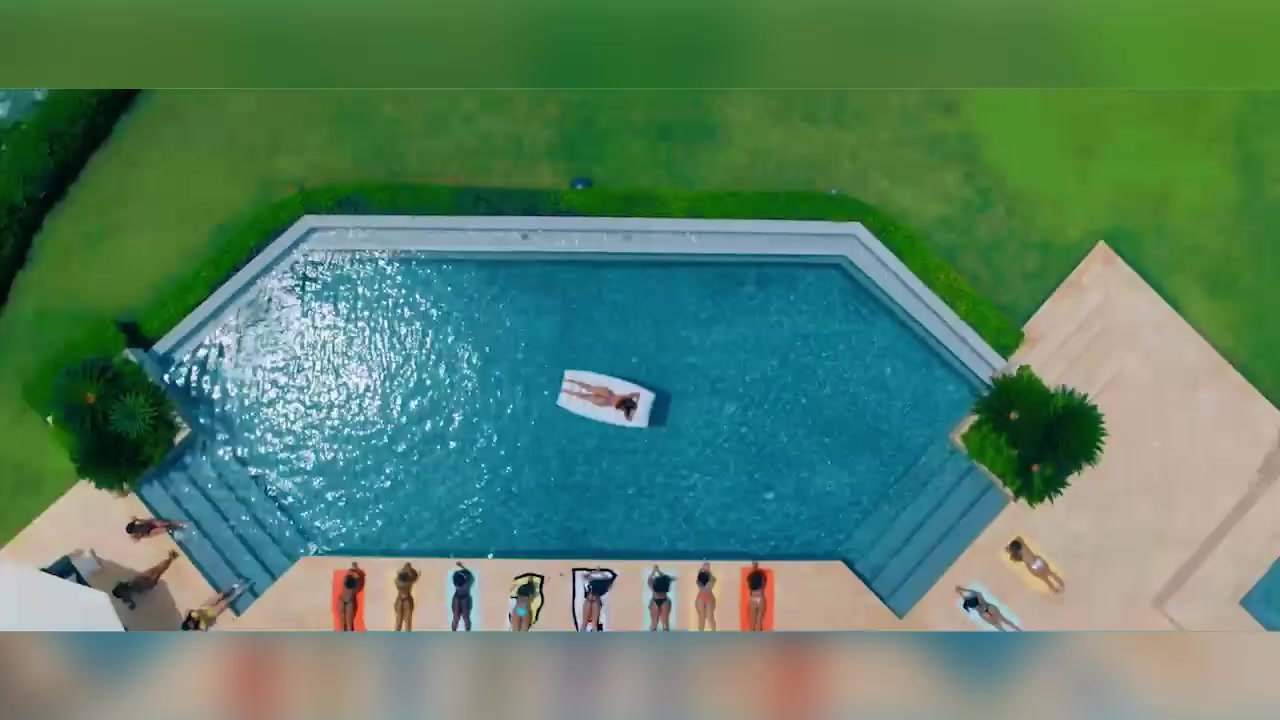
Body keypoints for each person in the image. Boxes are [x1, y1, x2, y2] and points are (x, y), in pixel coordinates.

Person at [112, 550, 179, 610]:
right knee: (158, 570)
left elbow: (132, 602)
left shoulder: (124, 592)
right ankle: (171, 558)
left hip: (142, 581)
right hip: (144, 583)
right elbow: (132, 602)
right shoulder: (125, 593)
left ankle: (171, 558)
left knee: (158, 570)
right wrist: (132, 605)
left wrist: (132, 604)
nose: (120, 588)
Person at [560, 380, 642, 422]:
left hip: (607, 394)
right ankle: (565, 391)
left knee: (588, 388)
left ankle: (568, 380)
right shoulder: (624, 409)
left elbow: (637, 394)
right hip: (605, 401)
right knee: (585, 396)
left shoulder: (627, 397)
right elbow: (628, 419)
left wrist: (636, 402)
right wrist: (633, 410)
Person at [181, 582, 251, 631]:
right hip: (210, 613)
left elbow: (188, 610)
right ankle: (237, 592)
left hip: (205, 607)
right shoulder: (196, 627)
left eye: (189, 624)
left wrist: (188, 616)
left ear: (186, 622)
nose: (191, 624)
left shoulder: (189, 616)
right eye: (190, 626)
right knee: (224, 602)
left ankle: (233, 588)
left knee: (220, 596)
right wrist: (209, 624)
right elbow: (205, 629)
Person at [955, 586, 1021, 631]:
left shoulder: (968, 602)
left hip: (983, 614)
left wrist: (960, 592)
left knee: (998, 626)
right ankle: (1018, 629)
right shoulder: (977, 596)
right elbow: (977, 593)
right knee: (1004, 620)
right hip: (988, 607)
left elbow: (964, 598)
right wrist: (963, 589)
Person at [337, 562, 366, 632]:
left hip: (345, 600)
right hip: (345, 600)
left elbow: (358, 578)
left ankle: (345, 636)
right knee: (345, 625)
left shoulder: (354, 577)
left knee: (346, 625)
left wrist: (355, 570)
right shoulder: (352, 576)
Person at [393, 562, 419, 632]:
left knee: (403, 621)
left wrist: (406, 570)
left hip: (403, 600)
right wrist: (409, 570)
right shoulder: (408, 581)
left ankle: (399, 636)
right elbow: (414, 578)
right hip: (404, 600)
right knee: (403, 621)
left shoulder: (400, 581)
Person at [648, 565, 673, 631]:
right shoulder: (662, 581)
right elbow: (667, 578)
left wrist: (655, 571)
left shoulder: (658, 582)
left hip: (659, 600)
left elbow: (650, 579)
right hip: (660, 600)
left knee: (660, 624)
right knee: (659, 624)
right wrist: (656, 571)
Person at [451, 562, 474, 632]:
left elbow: (468, 572)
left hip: (465, 598)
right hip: (457, 598)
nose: (459, 587)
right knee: (456, 617)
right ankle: (453, 631)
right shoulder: (456, 576)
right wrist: (461, 566)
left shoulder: (469, 579)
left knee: (466, 617)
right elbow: (467, 572)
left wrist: (462, 566)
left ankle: (467, 632)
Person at [694, 562, 717, 631]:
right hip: (704, 596)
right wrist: (703, 570)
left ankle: (712, 632)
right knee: (703, 616)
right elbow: (699, 582)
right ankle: (702, 632)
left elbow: (712, 581)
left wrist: (705, 571)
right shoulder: (701, 578)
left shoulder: (711, 579)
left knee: (709, 616)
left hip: (706, 596)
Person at [746, 561, 768, 632]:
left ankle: (752, 637)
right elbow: (764, 585)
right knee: (759, 621)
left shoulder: (750, 577)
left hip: (753, 598)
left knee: (752, 622)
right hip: (760, 598)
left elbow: (749, 587)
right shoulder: (762, 576)